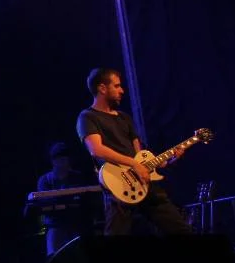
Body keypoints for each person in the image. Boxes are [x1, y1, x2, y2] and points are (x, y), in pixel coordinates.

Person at [76, 68, 190, 237]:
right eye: (117, 86)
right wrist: (133, 164)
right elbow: (96, 149)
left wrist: (169, 161)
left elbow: (140, 155)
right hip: (118, 185)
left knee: (181, 230)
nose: (122, 90)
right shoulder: (87, 117)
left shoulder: (125, 118)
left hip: (144, 183)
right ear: (102, 88)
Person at [35, 142, 98, 254]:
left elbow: (85, 200)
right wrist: (67, 202)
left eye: (65, 157)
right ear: (53, 160)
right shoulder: (45, 180)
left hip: (77, 224)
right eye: (59, 157)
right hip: (55, 225)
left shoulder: (77, 177)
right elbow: (44, 204)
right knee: (55, 257)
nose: (63, 160)